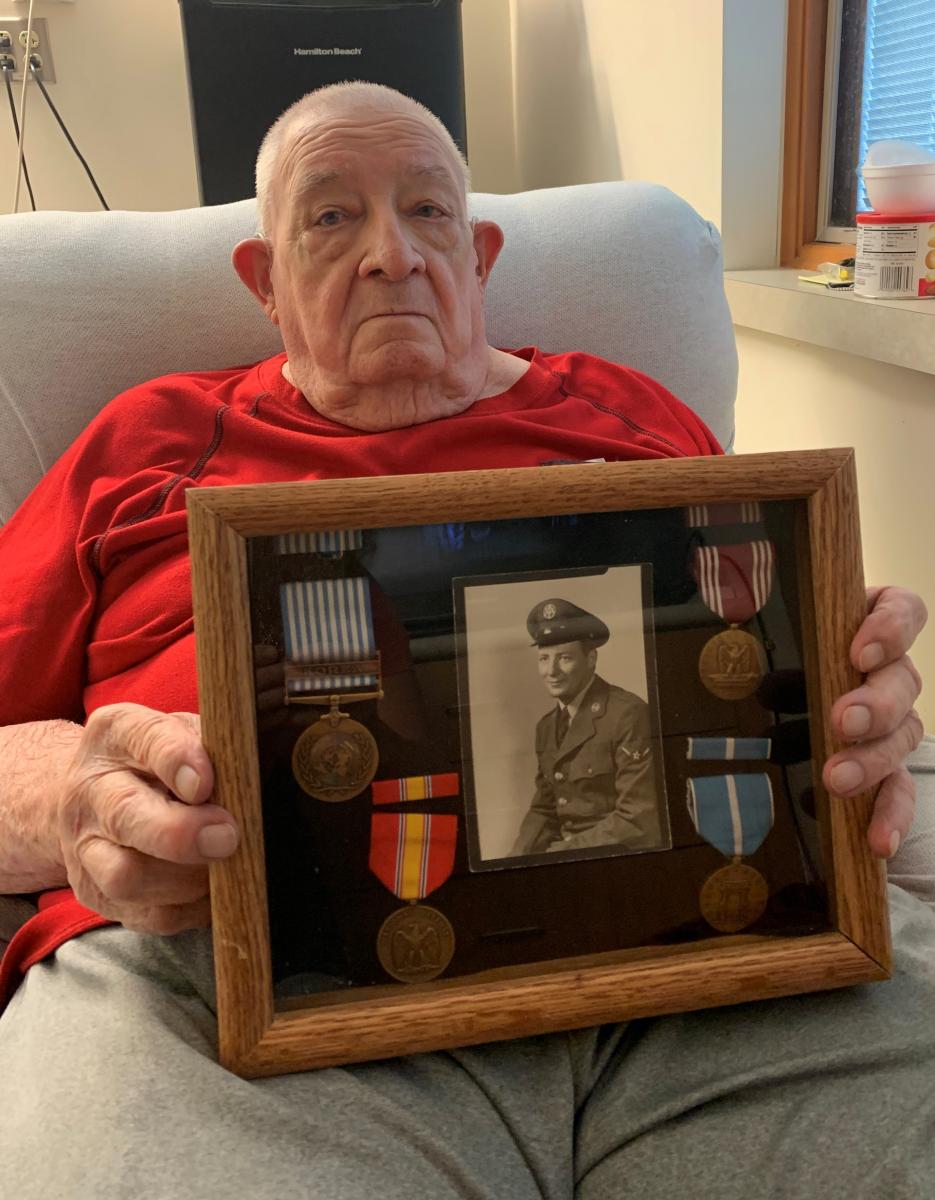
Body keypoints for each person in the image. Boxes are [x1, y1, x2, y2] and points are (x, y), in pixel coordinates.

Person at [0, 82, 929, 1199]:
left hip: (707, 957)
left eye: (428, 212)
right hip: (239, 983)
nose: (391, 254)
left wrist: (846, 695)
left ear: (479, 254)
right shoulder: (148, 441)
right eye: (332, 217)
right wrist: (73, 801)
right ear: (263, 280)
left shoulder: (624, 414)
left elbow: (761, 673)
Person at [511, 598, 662, 855]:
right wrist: (513, 859)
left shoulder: (626, 713)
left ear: (591, 659)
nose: (551, 671)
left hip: (616, 856)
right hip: (569, 854)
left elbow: (638, 820)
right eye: (544, 658)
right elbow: (544, 809)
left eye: (565, 658)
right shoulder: (546, 728)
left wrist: (560, 852)